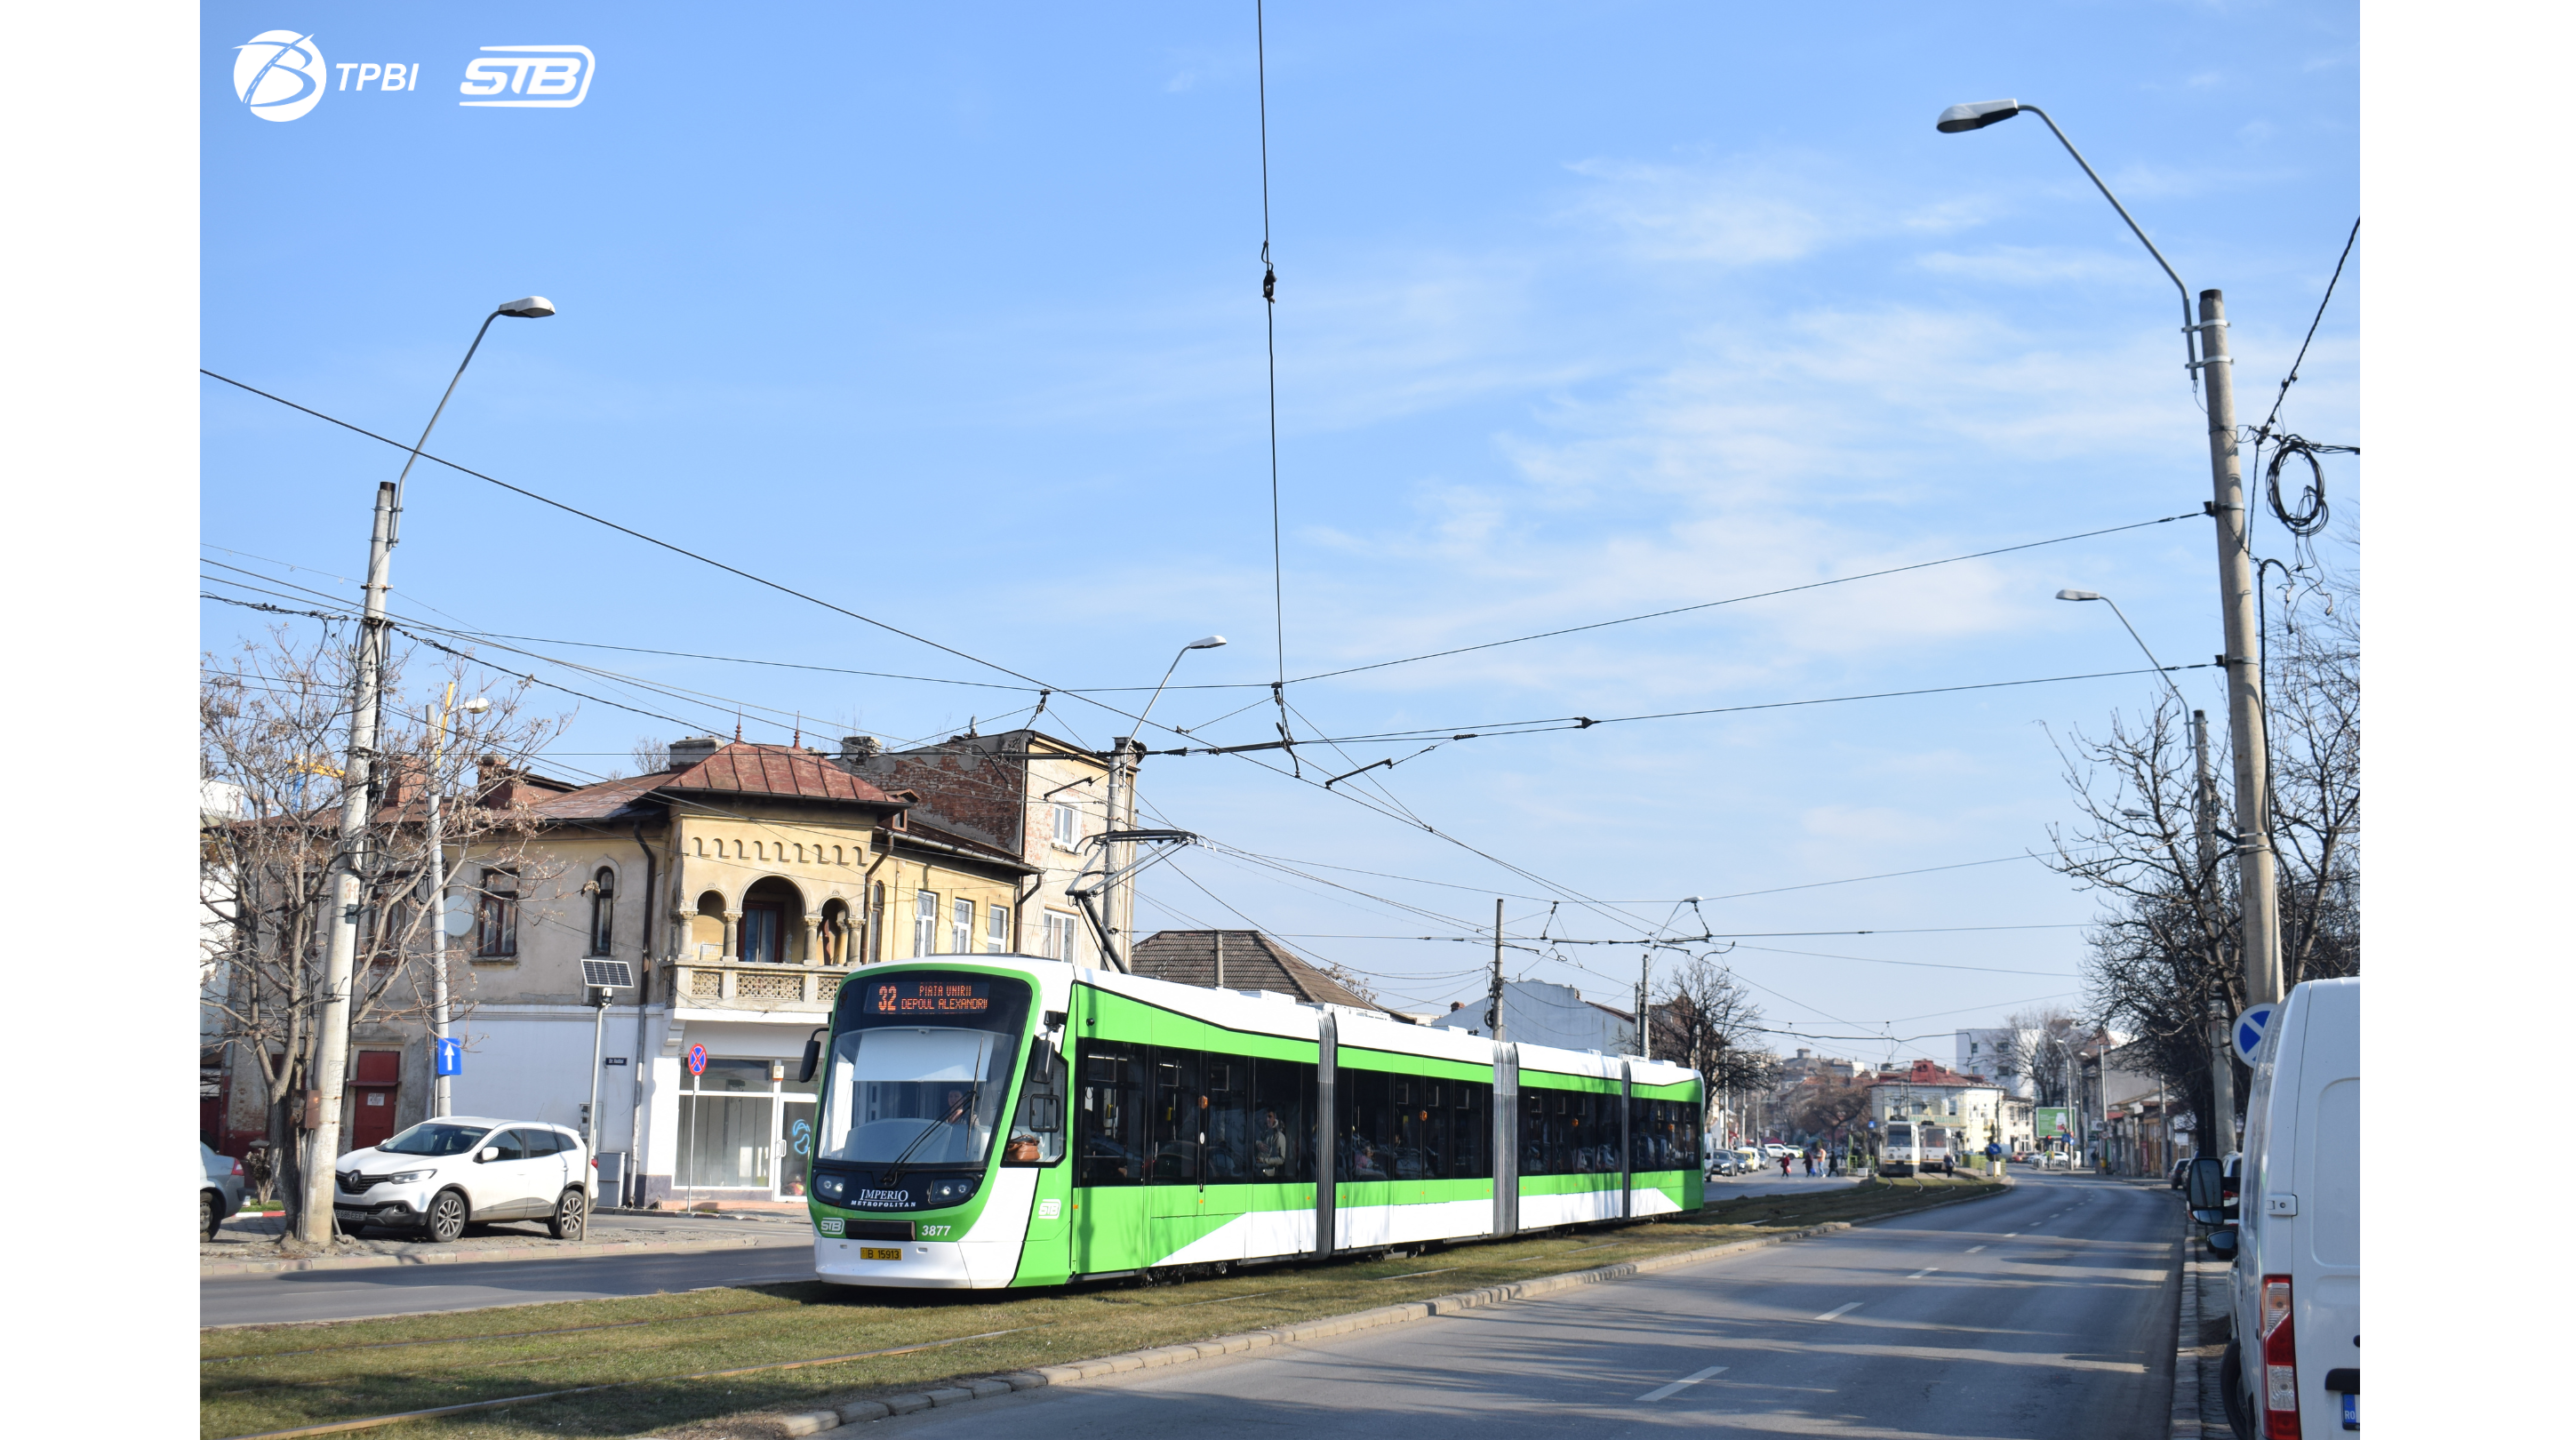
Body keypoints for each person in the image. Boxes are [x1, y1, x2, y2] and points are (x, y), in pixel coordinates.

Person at [1253, 1107, 1290, 1178]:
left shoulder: (1279, 1136)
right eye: (1266, 1117)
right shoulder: (1264, 1132)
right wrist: (1258, 1144)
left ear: (1275, 1118)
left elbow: (1282, 1159)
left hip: (1269, 1176)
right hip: (1257, 1171)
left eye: (1270, 1116)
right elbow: (1255, 1140)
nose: (1267, 1119)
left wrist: (1263, 1160)